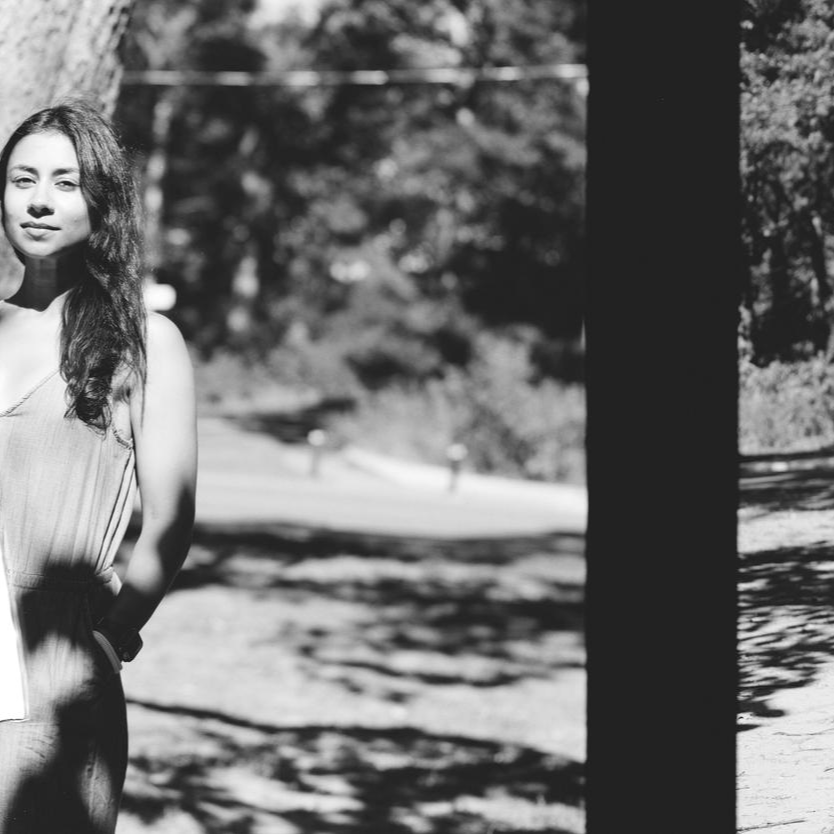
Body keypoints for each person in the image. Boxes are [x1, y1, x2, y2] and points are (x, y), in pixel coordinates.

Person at [0, 99, 197, 833]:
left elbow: (171, 522)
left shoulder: (145, 342)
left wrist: (112, 639)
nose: (41, 200)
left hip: (60, 661)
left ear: (102, 201)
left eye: (65, 181)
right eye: (24, 180)